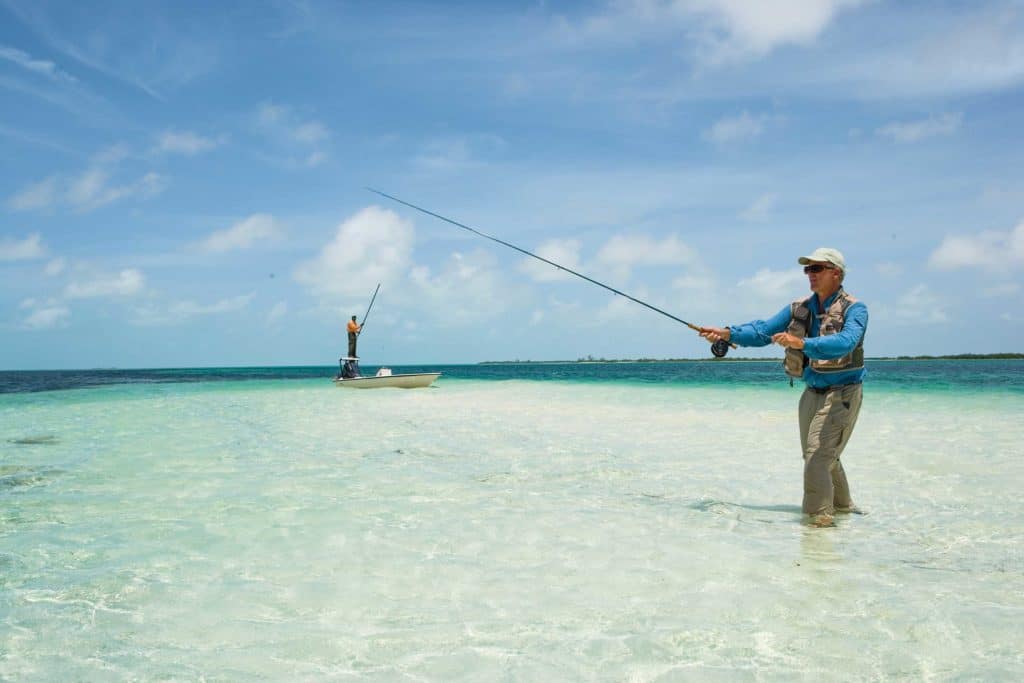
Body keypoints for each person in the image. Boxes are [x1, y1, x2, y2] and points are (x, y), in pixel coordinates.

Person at [699, 247, 868, 527]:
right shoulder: (798, 307)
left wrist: (803, 344)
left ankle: (819, 524)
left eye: (817, 269)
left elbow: (847, 342)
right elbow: (763, 331)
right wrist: (727, 333)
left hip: (844, 391)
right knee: (819, 455)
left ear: (836, 273)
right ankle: (844, 506)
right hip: (812, 390)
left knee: (818, 456)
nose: (810, 275)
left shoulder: (856, 308)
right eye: (807, 269)